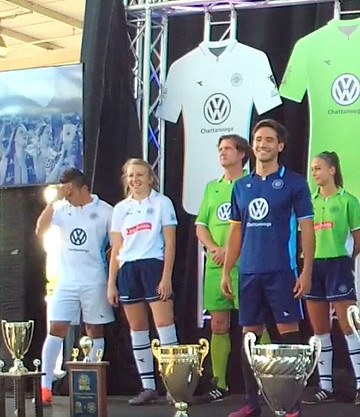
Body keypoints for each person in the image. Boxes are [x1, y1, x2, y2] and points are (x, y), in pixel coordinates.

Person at [222, 119, 315, 417]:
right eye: (258, 139)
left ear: (280, 146)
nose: (262, 144)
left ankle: (291, 404)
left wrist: (307, 271)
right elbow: (235, 232)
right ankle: (252, 402)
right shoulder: (241, 186)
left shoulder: (295, 183)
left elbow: (307, 229)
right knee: (249, 336)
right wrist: (227, 270)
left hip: (282, 271)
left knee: (288, 336)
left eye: (269, 140)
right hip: (249, 272)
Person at [34, 168, 114, 406]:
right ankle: (45, 386)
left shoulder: (105, 211)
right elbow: (40, 229)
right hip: (67, 281)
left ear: (82, 187)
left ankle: (90, 386)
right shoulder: (61, 208)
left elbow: (117, 243)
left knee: (94, 330)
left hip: (94, 280)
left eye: (69, 189)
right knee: (56, 328)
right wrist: (54, 201)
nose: (66, 193)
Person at [107, 158, 179, 405]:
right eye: (130, 176)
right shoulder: (120, 209)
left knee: (164, 327)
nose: (135, 180)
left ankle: (174, 386)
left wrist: (166, 277)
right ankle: (148, 386)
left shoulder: (162, 203)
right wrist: (111, 283)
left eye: (139, 175)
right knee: (137, 330)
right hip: (128, 269)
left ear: (150, 177)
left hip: (153, 265)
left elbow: (170, 242)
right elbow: (117, 248)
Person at [301, 151, 360, 406]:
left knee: (348, 325)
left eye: (318, 168)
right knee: (320, 329)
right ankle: (325, 386)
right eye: (312, 169)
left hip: (338, 263)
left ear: (332, 170)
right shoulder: (309, 202)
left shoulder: (348, 200)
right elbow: (304, 237)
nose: (314, 173)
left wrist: (344, 260)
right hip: (313, 265)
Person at [194, 134, 251, 403]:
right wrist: (213, 249)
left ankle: (264, 380)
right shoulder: (212, 188)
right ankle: (220, 383)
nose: (223, 153)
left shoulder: (251, 184)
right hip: (216, 264)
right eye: (220, 149)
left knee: (253, 322)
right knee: (218, 323)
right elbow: (201, 224)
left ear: (242, 154)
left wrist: (231, 250)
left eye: (228, 148)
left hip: (245, 263)